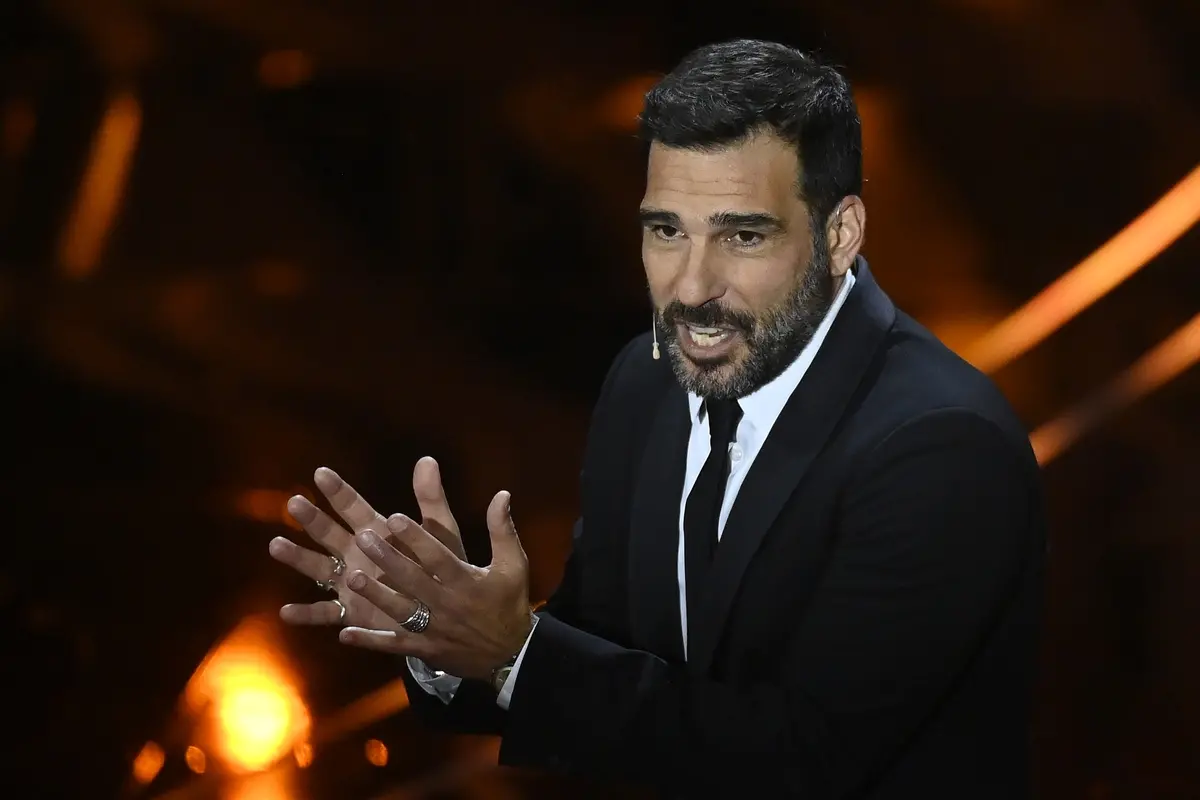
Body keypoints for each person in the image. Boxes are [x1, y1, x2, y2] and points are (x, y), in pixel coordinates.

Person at [269, 39, 1046, 798]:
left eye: (743, 235)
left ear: (839, 235)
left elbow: (807, 759)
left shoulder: (940, 443)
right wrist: (438, 620)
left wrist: (518, 655)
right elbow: (604, 652)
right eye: (666, 230)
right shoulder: (646, 387)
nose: (693, 286)